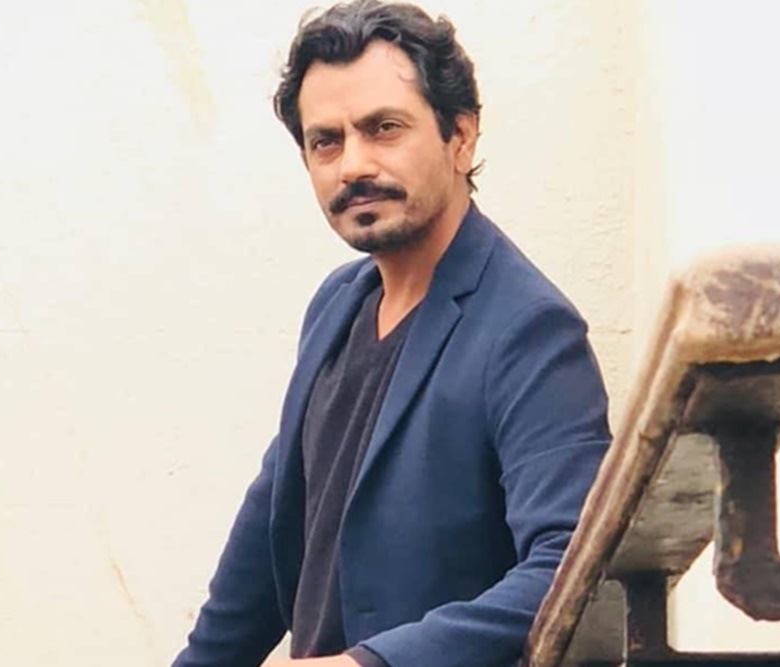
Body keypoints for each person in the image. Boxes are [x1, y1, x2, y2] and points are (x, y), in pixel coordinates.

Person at [173, 2, 611, 665]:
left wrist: (368, 663)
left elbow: (571, 570)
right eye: (326, 141)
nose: (352, 164)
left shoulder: (529, 329)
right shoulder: (337, 306)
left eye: (384, 128)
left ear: (460, 137)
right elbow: (271, 528)